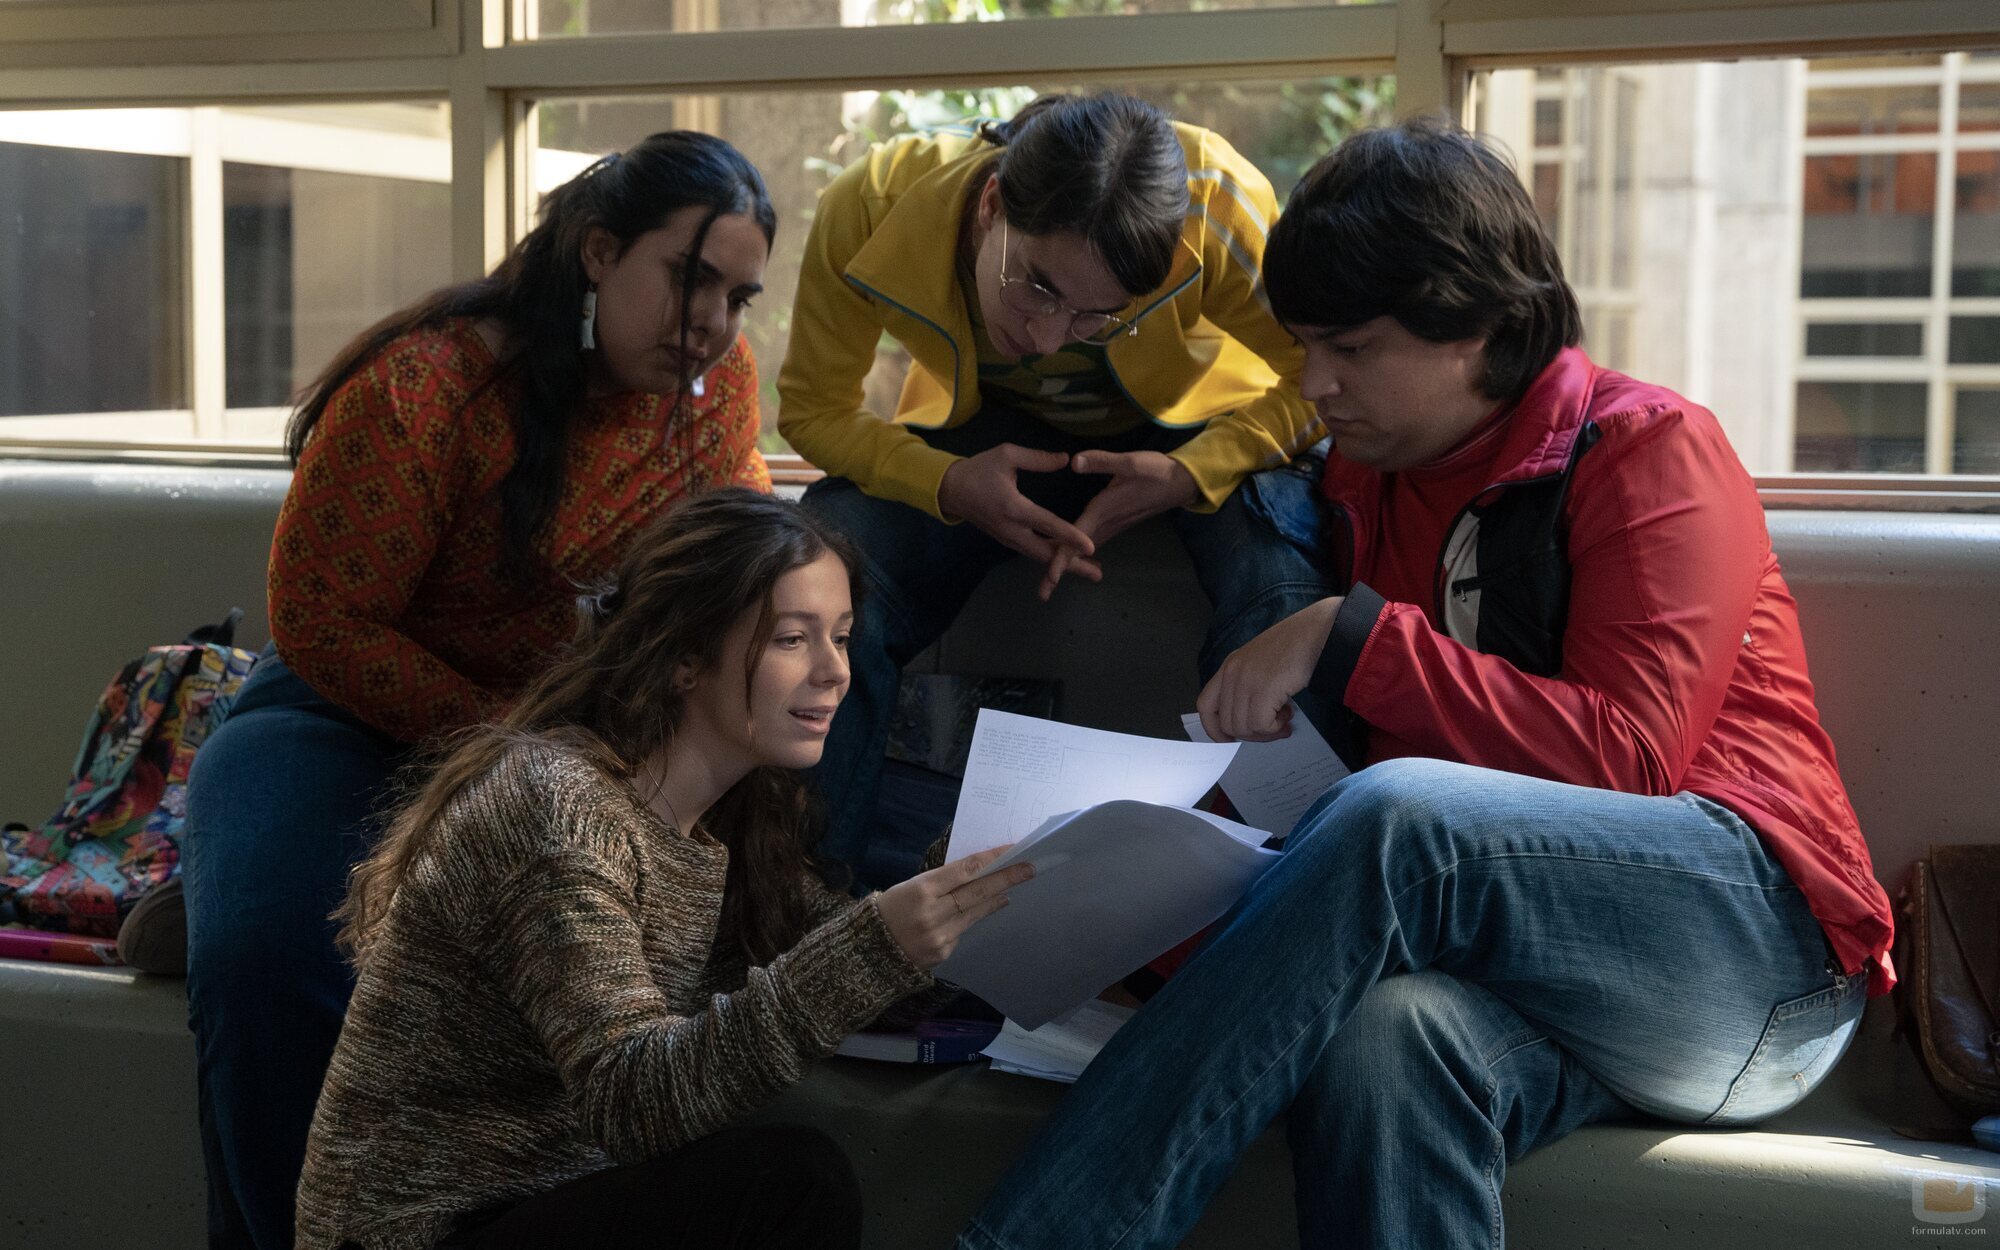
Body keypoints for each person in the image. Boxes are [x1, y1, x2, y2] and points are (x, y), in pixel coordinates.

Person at [956, 116, 1897, 1250]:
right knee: (1377, 1037)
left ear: (1481, 325)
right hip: (1519, 974)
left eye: (1350, 348)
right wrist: (1084, 898)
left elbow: (1627, 760)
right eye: (1304, 344)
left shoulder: (1649, 447)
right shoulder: (1364, 476)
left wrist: (1348, 633)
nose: (1314, 383)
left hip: (1755, 959)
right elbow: (1332, 837)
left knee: (1399, 812)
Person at [182, 131, 778, 1250]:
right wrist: (513, 745)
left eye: (739, 296)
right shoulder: (427, 385)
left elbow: (730, 569)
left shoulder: (711, 393)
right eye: (691, 279)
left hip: (556, 744)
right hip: (337, 718)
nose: (714, 323)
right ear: (598, 252)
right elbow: (323, 623)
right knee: (268, 955)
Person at [293, 489, 1031, 1250]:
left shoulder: (733, 820)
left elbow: (849, 953)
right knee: (788, 1184)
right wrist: (880, 945)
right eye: (791, 640)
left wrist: (982, 886)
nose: (834, 672)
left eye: (842, 638)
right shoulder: (556, 809)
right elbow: (636, 1101)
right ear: (684, 657)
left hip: (549, 1203)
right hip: (421, 1232)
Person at [778, 91, 1335, 875]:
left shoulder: (1217, 202)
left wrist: (1192, 471)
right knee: (823, 573)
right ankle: (806, 919)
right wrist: (947, 482)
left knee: (1281, 597)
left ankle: (1277, 920)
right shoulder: (871, 204)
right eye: (1035, 285)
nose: (1045, 338)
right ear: (993, 204)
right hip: (984, 436)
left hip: (1200, 431)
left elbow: (1320, 377)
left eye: (1099, 316)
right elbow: (810, 409)